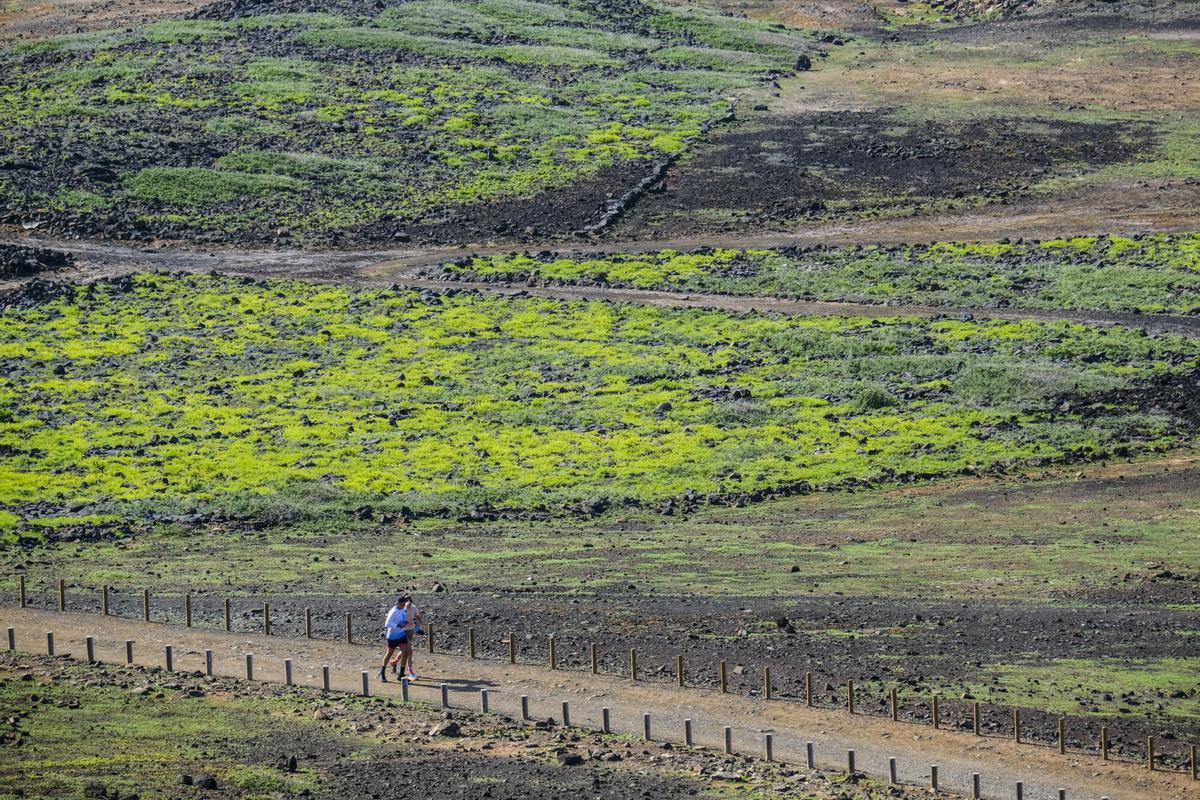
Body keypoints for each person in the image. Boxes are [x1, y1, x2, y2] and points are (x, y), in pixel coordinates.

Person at [379, 595, 410, 683]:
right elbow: (387, 623)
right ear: (399, 603)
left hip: (402, 634)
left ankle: (401, 674)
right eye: (403, 604)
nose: (404, 605)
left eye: (405, 604)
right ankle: (382, 672)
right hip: (393, 636)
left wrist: (405, 623)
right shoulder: (393, 611)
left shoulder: (402, 610)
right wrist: (397, 625)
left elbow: (402, 619)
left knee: (406, 652)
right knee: (389, 653)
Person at [398, 596, 422, 681]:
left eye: (410, 602)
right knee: (409, 651)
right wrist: (405, 609)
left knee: (405, 650)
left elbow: (417, 616)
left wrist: (419, 623)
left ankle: (395, 661)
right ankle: (410, 671)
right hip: (403, 631)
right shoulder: (402, 608)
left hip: (410, 630)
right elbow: (399, 618)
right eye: (407, 602)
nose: (409, 603)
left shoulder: (413, 607)